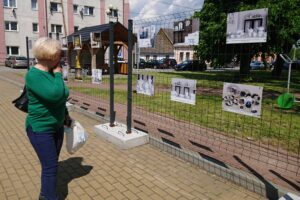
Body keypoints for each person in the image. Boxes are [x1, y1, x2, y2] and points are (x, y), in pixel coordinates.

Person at [25, 37, 71, 200]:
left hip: (56, 126)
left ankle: (45, 193)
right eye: (59, 55)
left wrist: (65, 115)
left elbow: (60, 99)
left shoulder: (50, 72)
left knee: (51, 165)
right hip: (40, 129)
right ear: (51, 57)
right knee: (50, 167)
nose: (61, 58)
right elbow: (55, 94)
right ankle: (48, 197)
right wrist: (59, 75)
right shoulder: (34, 75)